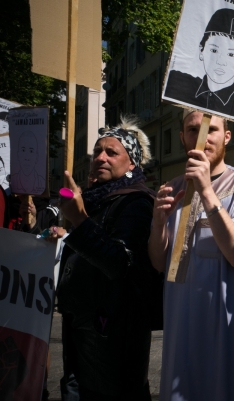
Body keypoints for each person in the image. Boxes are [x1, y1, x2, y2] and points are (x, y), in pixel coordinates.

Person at [149, 110, 234, 401]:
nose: (202, 137)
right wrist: (158, 223)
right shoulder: (172, 188)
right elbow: (158, 262)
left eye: (211, 130)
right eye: (192, 130)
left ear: (227, 136)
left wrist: (205, 189)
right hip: (181, 328)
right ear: (182, 138)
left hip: (227, 331)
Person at [56, 117, 156, 400]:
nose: (100, 157)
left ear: (132, 163)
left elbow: (119, 263)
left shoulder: (136, 202)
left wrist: (78, 220)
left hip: (113, 338)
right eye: (97, 152)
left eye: (112, 152)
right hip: (83, 330)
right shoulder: (97, 200)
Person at [164, 9, 234, 122]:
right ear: (201, 51)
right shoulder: (179, 84)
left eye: (231, 54)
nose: (221, 61)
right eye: (214, 50)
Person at [10, 130, 46, 195]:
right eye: (23, 150)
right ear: (18, 154)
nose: (27, 157)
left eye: (31, 151)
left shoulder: (42, 183)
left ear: (36, 157)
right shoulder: (11, 184)